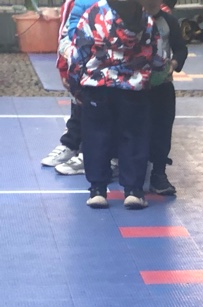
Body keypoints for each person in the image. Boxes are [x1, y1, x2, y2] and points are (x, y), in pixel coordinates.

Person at [66, 0, 155, 209]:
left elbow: (78, 53)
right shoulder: (144, 17)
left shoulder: (94, 13)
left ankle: (98, 190)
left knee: (96, 137)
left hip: (97, 86)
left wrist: (75, 84)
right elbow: (154, 54)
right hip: (133, 88)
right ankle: (133, 191)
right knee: (133, 137)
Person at [44, 0, 104, 175]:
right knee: (80, 104)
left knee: (102, 112)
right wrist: (65, 68)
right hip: (82, 66)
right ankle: (72, 144)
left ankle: (93, 153)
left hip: (109, 70)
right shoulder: (74, 3)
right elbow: (66, 35)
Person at [139, 0, 185, 196]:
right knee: (135, 129)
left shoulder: (169, 21)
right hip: (136, 86)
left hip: (162, 85)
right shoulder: (131, 19)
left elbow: (181, 49)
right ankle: (131, 176)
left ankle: (159, 173)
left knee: (163, 129)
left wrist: (173, 65)